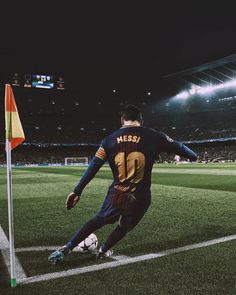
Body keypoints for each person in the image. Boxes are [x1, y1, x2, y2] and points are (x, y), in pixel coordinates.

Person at [48, 104, 198, 264]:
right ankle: (104, 250)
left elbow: (94, 166)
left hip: (117, 193)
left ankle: (67, 248)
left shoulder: (108, 140)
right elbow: (182, 148)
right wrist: (193, 156)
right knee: (124, 225)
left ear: (122, 120)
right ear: (141, 120)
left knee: (98, 220)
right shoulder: (155, 136)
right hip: (140, 196)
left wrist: (77, 191)